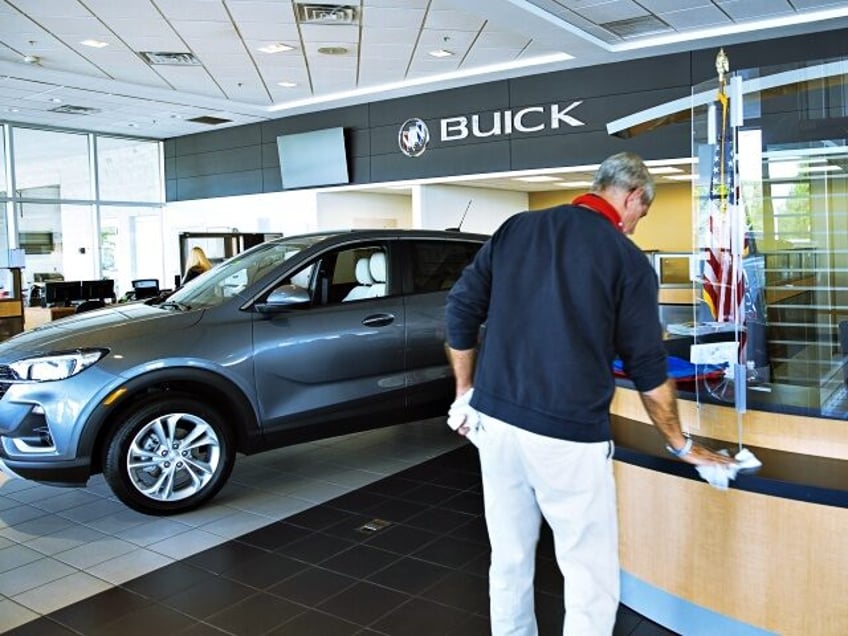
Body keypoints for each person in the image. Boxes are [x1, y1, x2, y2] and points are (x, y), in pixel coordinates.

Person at [444, 151, 736, 636]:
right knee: (588, 574)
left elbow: (459, 310)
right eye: (642, 214)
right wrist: (680, 444)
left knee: (510, 558)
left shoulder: (517, 229)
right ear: (633, 196)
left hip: (493, 424)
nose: (637, 225)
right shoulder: (626, 259)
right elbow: (647, 366)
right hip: (567, 438)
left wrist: (466, 392)